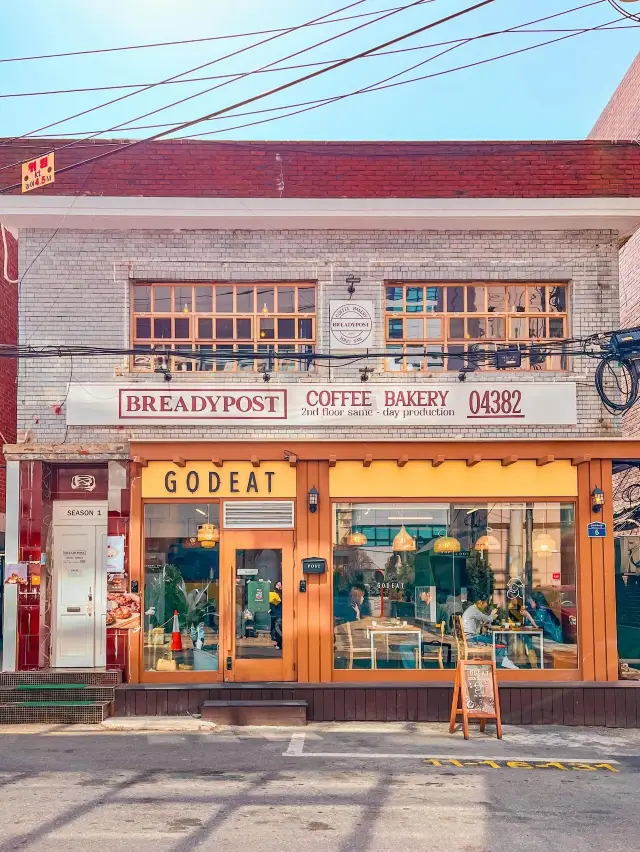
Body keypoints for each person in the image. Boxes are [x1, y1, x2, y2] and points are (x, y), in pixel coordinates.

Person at [462, 598, 518, 669]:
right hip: (471, 638)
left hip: (469, 637)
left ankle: (503, 661)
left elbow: (483, 619)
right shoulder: (474, 610)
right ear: (479, 601)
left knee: (493, 640)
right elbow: (488, 618)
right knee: (496, 642)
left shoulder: (472, 609)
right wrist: (492, 614)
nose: (486, 605)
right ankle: (501, 664)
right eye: (485, 603)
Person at [269, 581, 283, 648]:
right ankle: (278, 642)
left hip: (279, 613)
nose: (279, 586)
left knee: (277, 627)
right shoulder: (274, 593)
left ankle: (280, 643)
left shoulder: (281, 593)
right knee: (275, 627)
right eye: (277, 584)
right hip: (274, 612)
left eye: (280, 585)